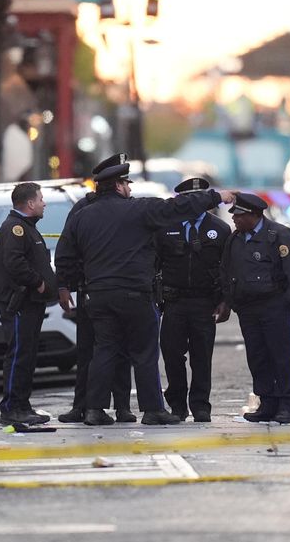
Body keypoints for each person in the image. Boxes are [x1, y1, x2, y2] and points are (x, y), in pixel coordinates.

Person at [56, 162, 236, 426]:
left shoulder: (83, 216)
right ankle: (153, 410)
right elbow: (178, 207)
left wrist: (63, 286)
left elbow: (65, 253)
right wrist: (216, 196)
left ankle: (94, 409)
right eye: (126, 183)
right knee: (144, 352)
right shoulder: (139, 210)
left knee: (104, 350)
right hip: (134, 295)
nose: (130, 188)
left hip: (99, 295)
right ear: (118, 186)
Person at [220, 192, 290, 424]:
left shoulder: (278, 235)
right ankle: (267, 402)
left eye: (239, 215)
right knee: (258, 357)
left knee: (281, 356)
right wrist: (232, 301)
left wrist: (286, 302)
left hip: (274, 307)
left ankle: (287, 405)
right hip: (248, 309)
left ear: (255, 214)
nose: (235, 219)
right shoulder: (235, 239)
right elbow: (227, 271)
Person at [57, 154, 135, 424]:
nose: (127, 187)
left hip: (110, 289)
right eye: (124, 181)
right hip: (88, 287)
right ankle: (82, 405)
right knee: (87, 350)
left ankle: (122, 406)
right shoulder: (83, 208)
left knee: (120, 350)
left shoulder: (129, 207)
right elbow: (66, 250)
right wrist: (65, 285)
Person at [154, 178, 232, 423]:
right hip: (174, 302)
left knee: (202, 356)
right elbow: (154, 263)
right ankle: (177, 405)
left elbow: (227, 269)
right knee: (172, 355)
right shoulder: (165, 227)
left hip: (204, 302)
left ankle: (201, 406)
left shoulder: (219, 229)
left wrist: (225, 301)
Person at [0, 182, 58, 426]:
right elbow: (15, 262)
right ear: (30, 203)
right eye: (41, 199)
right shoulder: (16, 228)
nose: (44, 203)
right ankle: (11, 408)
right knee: (19, 354)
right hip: (21, 302)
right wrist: (38, 282)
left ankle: (22, 405)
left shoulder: (26, 227)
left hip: (31, 303)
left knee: (27, 355)